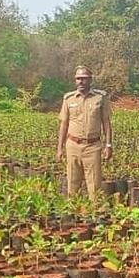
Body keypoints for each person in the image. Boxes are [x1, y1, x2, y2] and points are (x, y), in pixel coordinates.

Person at [55, 65, 113, 200]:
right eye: (78, 79)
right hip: (73, 145)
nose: (81, 82)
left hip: (92, 147)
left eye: (84, 79)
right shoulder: (68, 99)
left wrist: (108, 145)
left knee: (94, 186)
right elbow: (64, 124)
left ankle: (94, 213)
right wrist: (59, 148)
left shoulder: (100, 98)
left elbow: (106, 123)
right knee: (72, 184)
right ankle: (73, 214)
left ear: (90, 80)